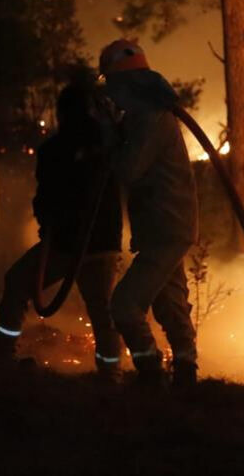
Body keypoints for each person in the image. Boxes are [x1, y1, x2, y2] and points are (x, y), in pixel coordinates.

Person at [0, 78, 124, 379]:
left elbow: (47, 198)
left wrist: (47, 224)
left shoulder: (58, 151)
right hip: (98, 245)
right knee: (102, 312)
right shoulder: (111, 148)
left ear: (62, 113)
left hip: (68, 245)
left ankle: (3, 354)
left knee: (18, 283)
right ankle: (111, 375)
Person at [97, 39, 200, 387]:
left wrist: (110, 135)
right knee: (170, 304)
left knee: (125, 305)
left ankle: (150, 372)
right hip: (166, 226)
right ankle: (186, 373)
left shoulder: (150, 119)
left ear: (127, 84)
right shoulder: (148, 115)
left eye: (113, 87)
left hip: (165, 226)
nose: (111, 95)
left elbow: (128, 169)